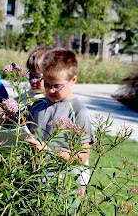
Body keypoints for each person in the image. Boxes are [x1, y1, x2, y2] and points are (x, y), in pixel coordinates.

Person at [25, 49, 95, 187]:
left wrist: (48, 151)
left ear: (73, 80)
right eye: (46, 84)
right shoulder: (38, 105)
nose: (50, 90)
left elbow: (82, 156)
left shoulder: (79, 111)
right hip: (33, 178)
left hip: (63, 184)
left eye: (56, 86)